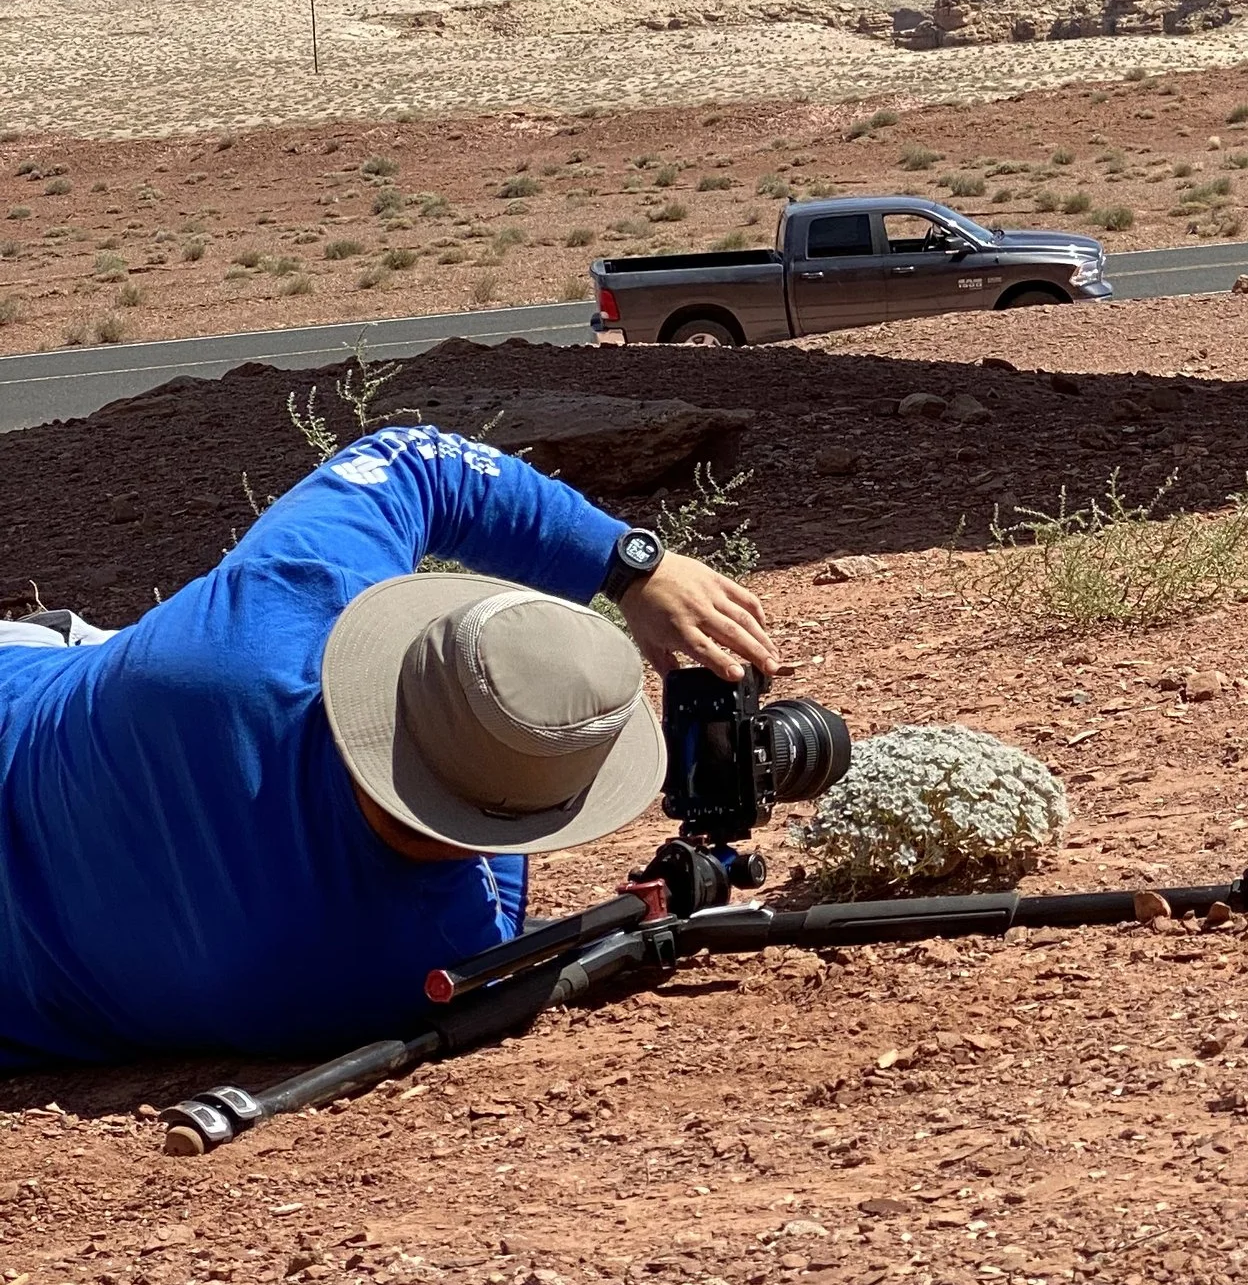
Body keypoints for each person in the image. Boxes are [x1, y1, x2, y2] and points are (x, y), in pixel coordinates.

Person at [0, 423, 774, 1069]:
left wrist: (633, 566)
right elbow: (491, 856)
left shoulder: (266, 614)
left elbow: (414, 459)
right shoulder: (418, 959)